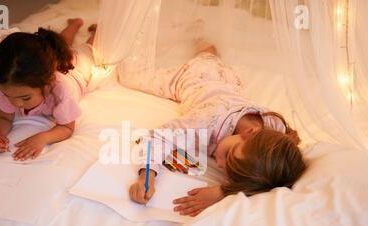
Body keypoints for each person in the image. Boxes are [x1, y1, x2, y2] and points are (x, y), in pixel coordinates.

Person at [129, 41, 306, 216]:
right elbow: (157, 137)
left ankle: (207, 50)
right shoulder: (205, 123)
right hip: (193, 77)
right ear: (248, 133)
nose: (219, 164)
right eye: (228, 156)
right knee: (130, 75)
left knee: (208, 57)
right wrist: (147, 177)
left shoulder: (274, 126)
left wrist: (223, 191)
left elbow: (272, 176)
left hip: (227, 77)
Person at [0, 19, 96, 161]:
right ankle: (74, 24)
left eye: (25, 98)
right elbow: (3, 117)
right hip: (49, 65)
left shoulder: (62, 93)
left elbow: (67, 128)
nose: (16, 104)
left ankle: (95, 32)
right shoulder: (9, 86)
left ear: (47, 84)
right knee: (62, 46)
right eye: (7, 95)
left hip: (77, 72)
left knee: (86, 50)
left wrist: (43, 137)